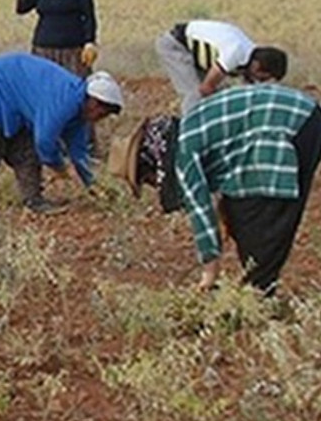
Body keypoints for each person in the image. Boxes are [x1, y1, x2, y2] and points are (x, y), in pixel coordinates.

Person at [108, 84, 321, 296]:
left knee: (259, 220)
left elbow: (200, 209)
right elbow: (226, 174)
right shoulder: (187, 129)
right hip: (299, 115)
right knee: (242, 213)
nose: (154, 185)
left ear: (151, 163)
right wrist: (224, 215)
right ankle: (257, 289)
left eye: (147, 180)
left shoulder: (182, 154)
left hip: (286, 126)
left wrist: (209, 274)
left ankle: (258, 296)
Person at [0, 53, 123, 213]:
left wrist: (94, 185)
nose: (100, 119)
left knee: (27, 154)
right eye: (102, 113)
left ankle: (33, 200)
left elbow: (79, 153)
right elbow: (45, 140)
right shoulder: (64, 101)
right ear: (93, 102)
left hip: (20, 102)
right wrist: (58, 166)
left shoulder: (80, 115)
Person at [153, 19, 288, 114]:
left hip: (197, 56)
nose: (260, 81)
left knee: (216, 95)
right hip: (176, 46)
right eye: (263, 78)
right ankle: (188, 138)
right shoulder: (235, 53)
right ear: (257, 66)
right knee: (194, 95)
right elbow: (206, 87)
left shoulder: (250, 54)